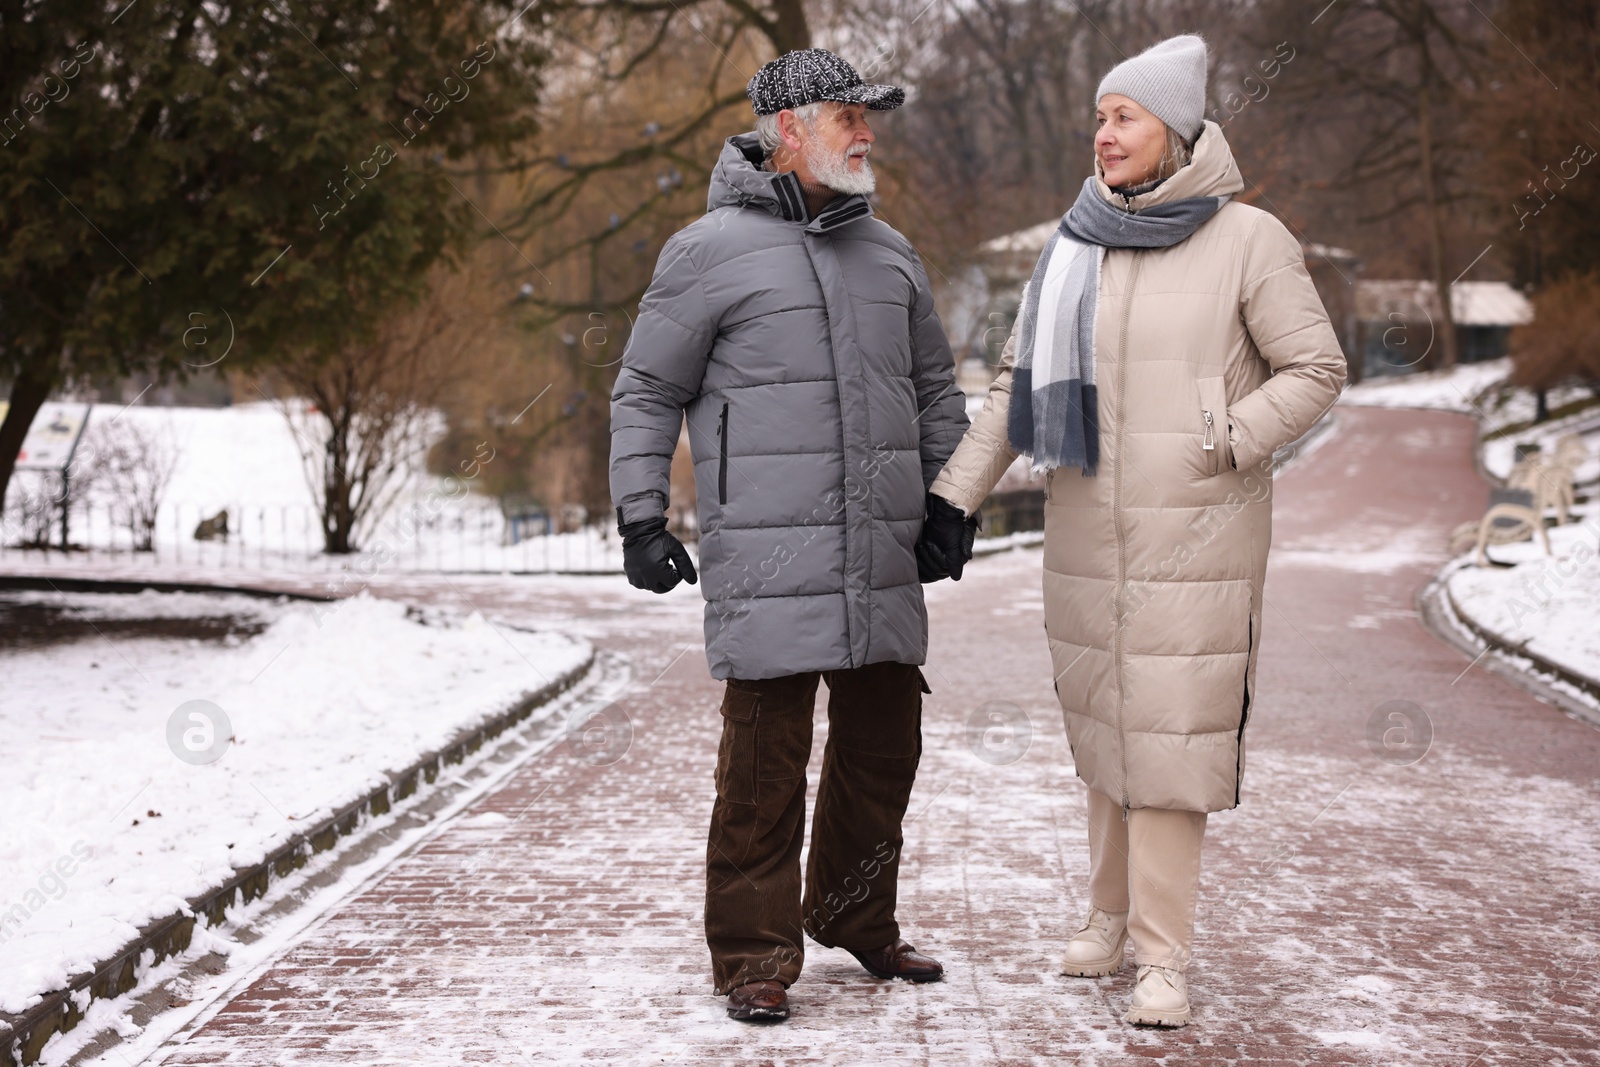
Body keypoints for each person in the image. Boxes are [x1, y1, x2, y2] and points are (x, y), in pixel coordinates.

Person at [928, 34, 1346, 1028]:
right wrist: (954, 498)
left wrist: (1230, 432)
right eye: (1099, 116)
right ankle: (1108, 915)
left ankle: (1165, 955)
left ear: (1176, 128)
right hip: (1085, 533)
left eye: (1124, 116)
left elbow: (1316, 369)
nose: (1102, 134)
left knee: (1165, 743)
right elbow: (1011, 387)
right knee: (1108, 731)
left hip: (1196, 535)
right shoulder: (1070, 246)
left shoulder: (1250, 241)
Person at [608, 47, 976, 1023]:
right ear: (787, 131)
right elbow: (648, 386)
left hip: (881, 555)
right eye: (847, 116)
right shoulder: (705, 251)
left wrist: (951, 501)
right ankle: (753, 953)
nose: (866, 132)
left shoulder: (890, 253)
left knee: (883, 748)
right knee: (765, 765)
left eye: (869, 118)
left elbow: (936, 390)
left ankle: (854, 915)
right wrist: (639, 514)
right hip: (767, 555)